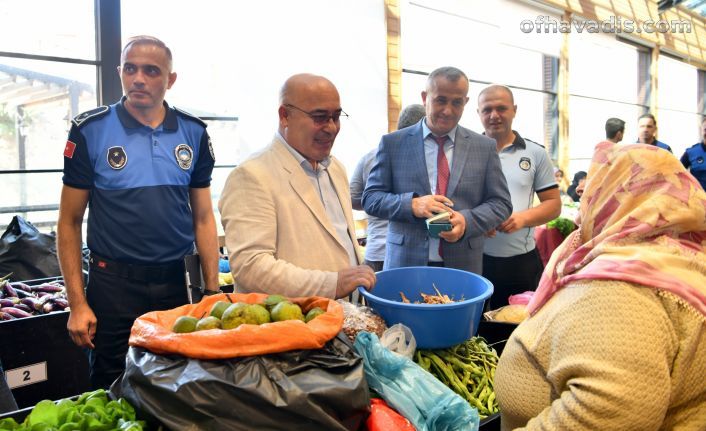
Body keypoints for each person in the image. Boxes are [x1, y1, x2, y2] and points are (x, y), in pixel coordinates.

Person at [495, 141, 706, 430]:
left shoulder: (623, 292)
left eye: (594, 186)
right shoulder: (678, 258)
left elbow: (604, 412)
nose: (582, 195)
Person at [57, 36, 220, 389]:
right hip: (112, 287)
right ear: (120, 72)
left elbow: (204, 218)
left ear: (170, 80)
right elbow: (68, 222)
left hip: (178, 284)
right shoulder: (91, 130)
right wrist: (77, 304)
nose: (138, 79)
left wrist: (211, 291)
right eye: (130, 69)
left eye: (150, 71)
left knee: (177, 383)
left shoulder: (193, 132)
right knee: (111, 385)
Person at [218, 73, 376, 299]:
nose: (331, 127)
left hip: (344, 318)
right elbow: (251, 267)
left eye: (336, 116)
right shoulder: (252, 176)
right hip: (293, 326)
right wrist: (332, 283)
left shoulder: (335, 168)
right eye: (320, 117)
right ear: (285, 116)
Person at [362, 67, 511, 274]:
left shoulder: (483, 147)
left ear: (466, 103)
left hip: (463, 266)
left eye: (457, 102)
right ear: (425, 98)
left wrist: (467, 221)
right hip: (405, 264)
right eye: (440, 100)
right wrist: (411, 204)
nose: (448, 110)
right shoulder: (393, 144)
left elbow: (501, 203)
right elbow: (371, 198)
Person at [477, 85, 561, 309]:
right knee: (479, 332)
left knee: (518, 329)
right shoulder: (469, 152)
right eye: (487, 110)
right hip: (476, 260)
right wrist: (478, 221)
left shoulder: (535, 153)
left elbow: (553, 205)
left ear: (514, 110)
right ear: (478, 113)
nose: (494, 115)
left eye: (501, 108)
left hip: (521, 264)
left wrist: (522, 219)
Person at [350, 103, 426, 271]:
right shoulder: (426, 160)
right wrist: (396, 204)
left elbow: (352, 197)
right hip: (409, 254)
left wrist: (380, 203)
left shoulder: (370, 156)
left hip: (376, 250)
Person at [679, 117, 706, 190]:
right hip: (698, 198)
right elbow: (677, 174)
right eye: (705, 130)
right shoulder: (690, 153)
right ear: (701, 131)